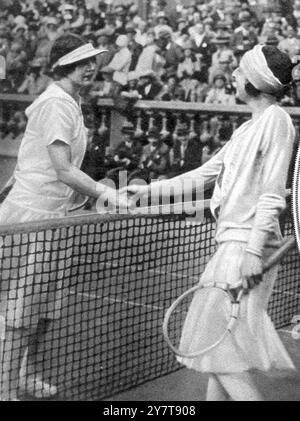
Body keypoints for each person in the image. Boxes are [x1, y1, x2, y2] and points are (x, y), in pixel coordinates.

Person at [122, 44, 296, 401]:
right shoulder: (248, 128)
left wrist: (250, 252)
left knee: (215, 348)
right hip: (233, 243)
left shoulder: (277, 121)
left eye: (238, 71)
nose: (232, 76)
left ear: (254, 80)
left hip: (246, 246)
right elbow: (205, 173)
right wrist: (149, 190)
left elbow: (273, 193)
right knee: (222, 351)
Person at [0, 33, 129, 401]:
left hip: (58, 217)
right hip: (34, 218)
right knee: (21, 312)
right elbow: (62, 169)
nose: (92, 67)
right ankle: (5, 391)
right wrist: (109, 194)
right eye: (83, 61)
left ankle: (23, 373)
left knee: (43, 310)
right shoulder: (56, 103)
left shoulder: (69, 101)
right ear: (64, 65)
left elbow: (40, 159)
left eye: (93, 61)